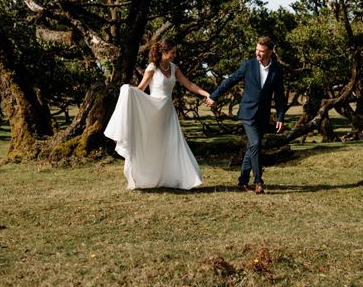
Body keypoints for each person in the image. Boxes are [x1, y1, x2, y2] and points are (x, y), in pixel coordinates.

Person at [104, 39, 208, 190]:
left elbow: (189, 84)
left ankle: (182, 179)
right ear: (163, 52)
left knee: (174, 144)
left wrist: (206, 94)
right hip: (153, 111)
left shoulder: (174, 68)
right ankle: (148, 177)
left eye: (175, 52)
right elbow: (141, 88)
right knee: (153, 145)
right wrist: (128, 91)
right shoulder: (152, 67)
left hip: (168, 113)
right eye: (172, 52)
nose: (175, 55)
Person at [206, 36, 286, 194]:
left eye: (261, 51)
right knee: (256, 143)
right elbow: (231, 80)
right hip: (247, 113)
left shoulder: (277, 69)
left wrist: (280, 116)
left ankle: (243, 181)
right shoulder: (248, 65)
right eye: (256, 50)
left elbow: (280, 96)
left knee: (252, 147)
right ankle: (258, 181)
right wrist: (213, 96)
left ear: (270, 51)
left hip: (263, 115)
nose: (258, 53)